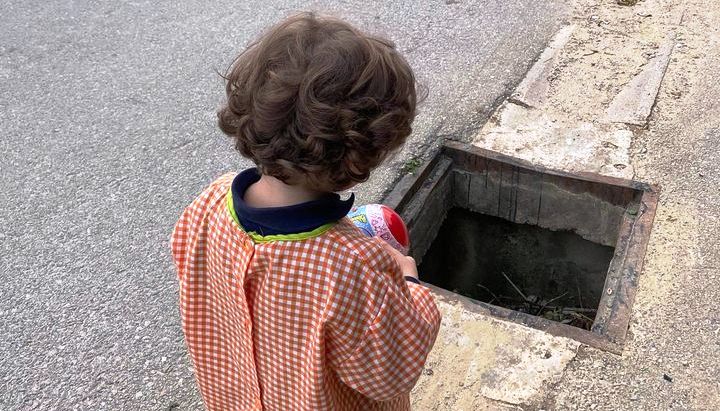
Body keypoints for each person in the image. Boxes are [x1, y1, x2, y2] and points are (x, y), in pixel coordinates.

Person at [170, 12, 441, 410]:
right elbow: (391, 373)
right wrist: (409, 283)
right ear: (365, 152)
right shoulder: (352, 265)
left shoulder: (206, 206)